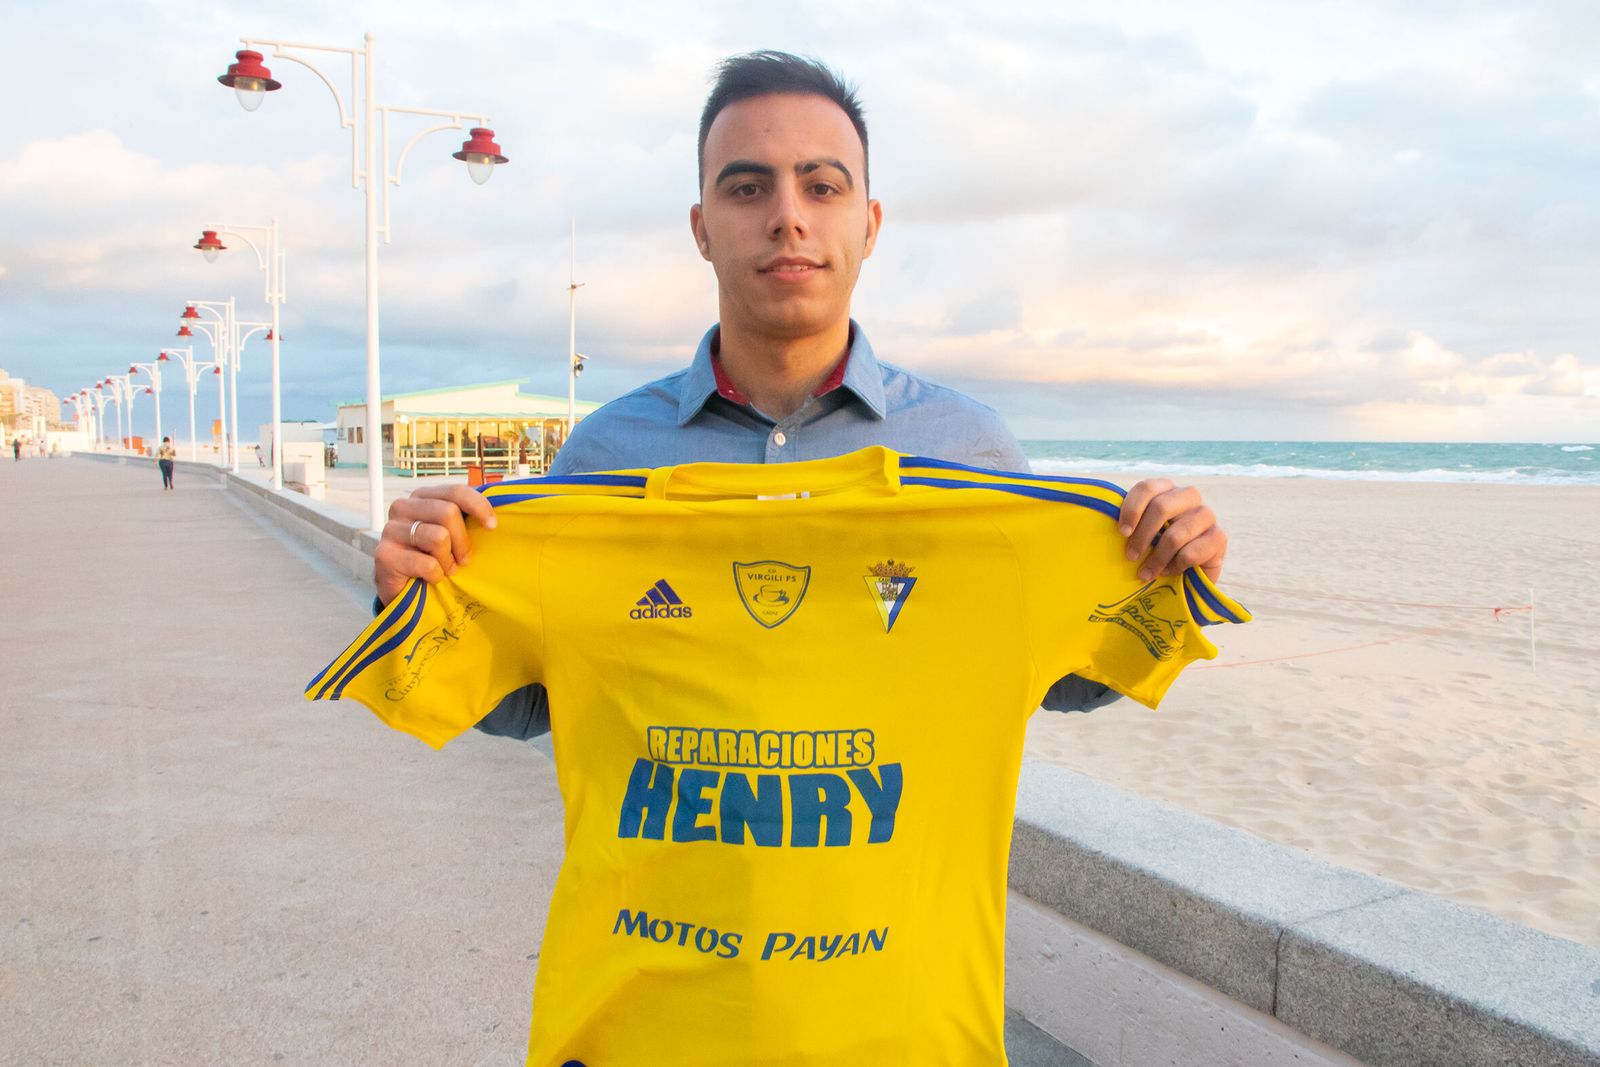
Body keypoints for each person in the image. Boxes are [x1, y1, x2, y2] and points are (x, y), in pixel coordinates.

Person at [373, 51, 1227, 733]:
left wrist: (1166, 565)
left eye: (823, 186)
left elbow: (1062, 681)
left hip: (898, 953)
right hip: (655, 951)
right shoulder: (605, 455)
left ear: (870, 225)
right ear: (702, 228)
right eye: (748, 188)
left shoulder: (969, 448)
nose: (789, 216)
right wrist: (411, 589)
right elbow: (529, 702)